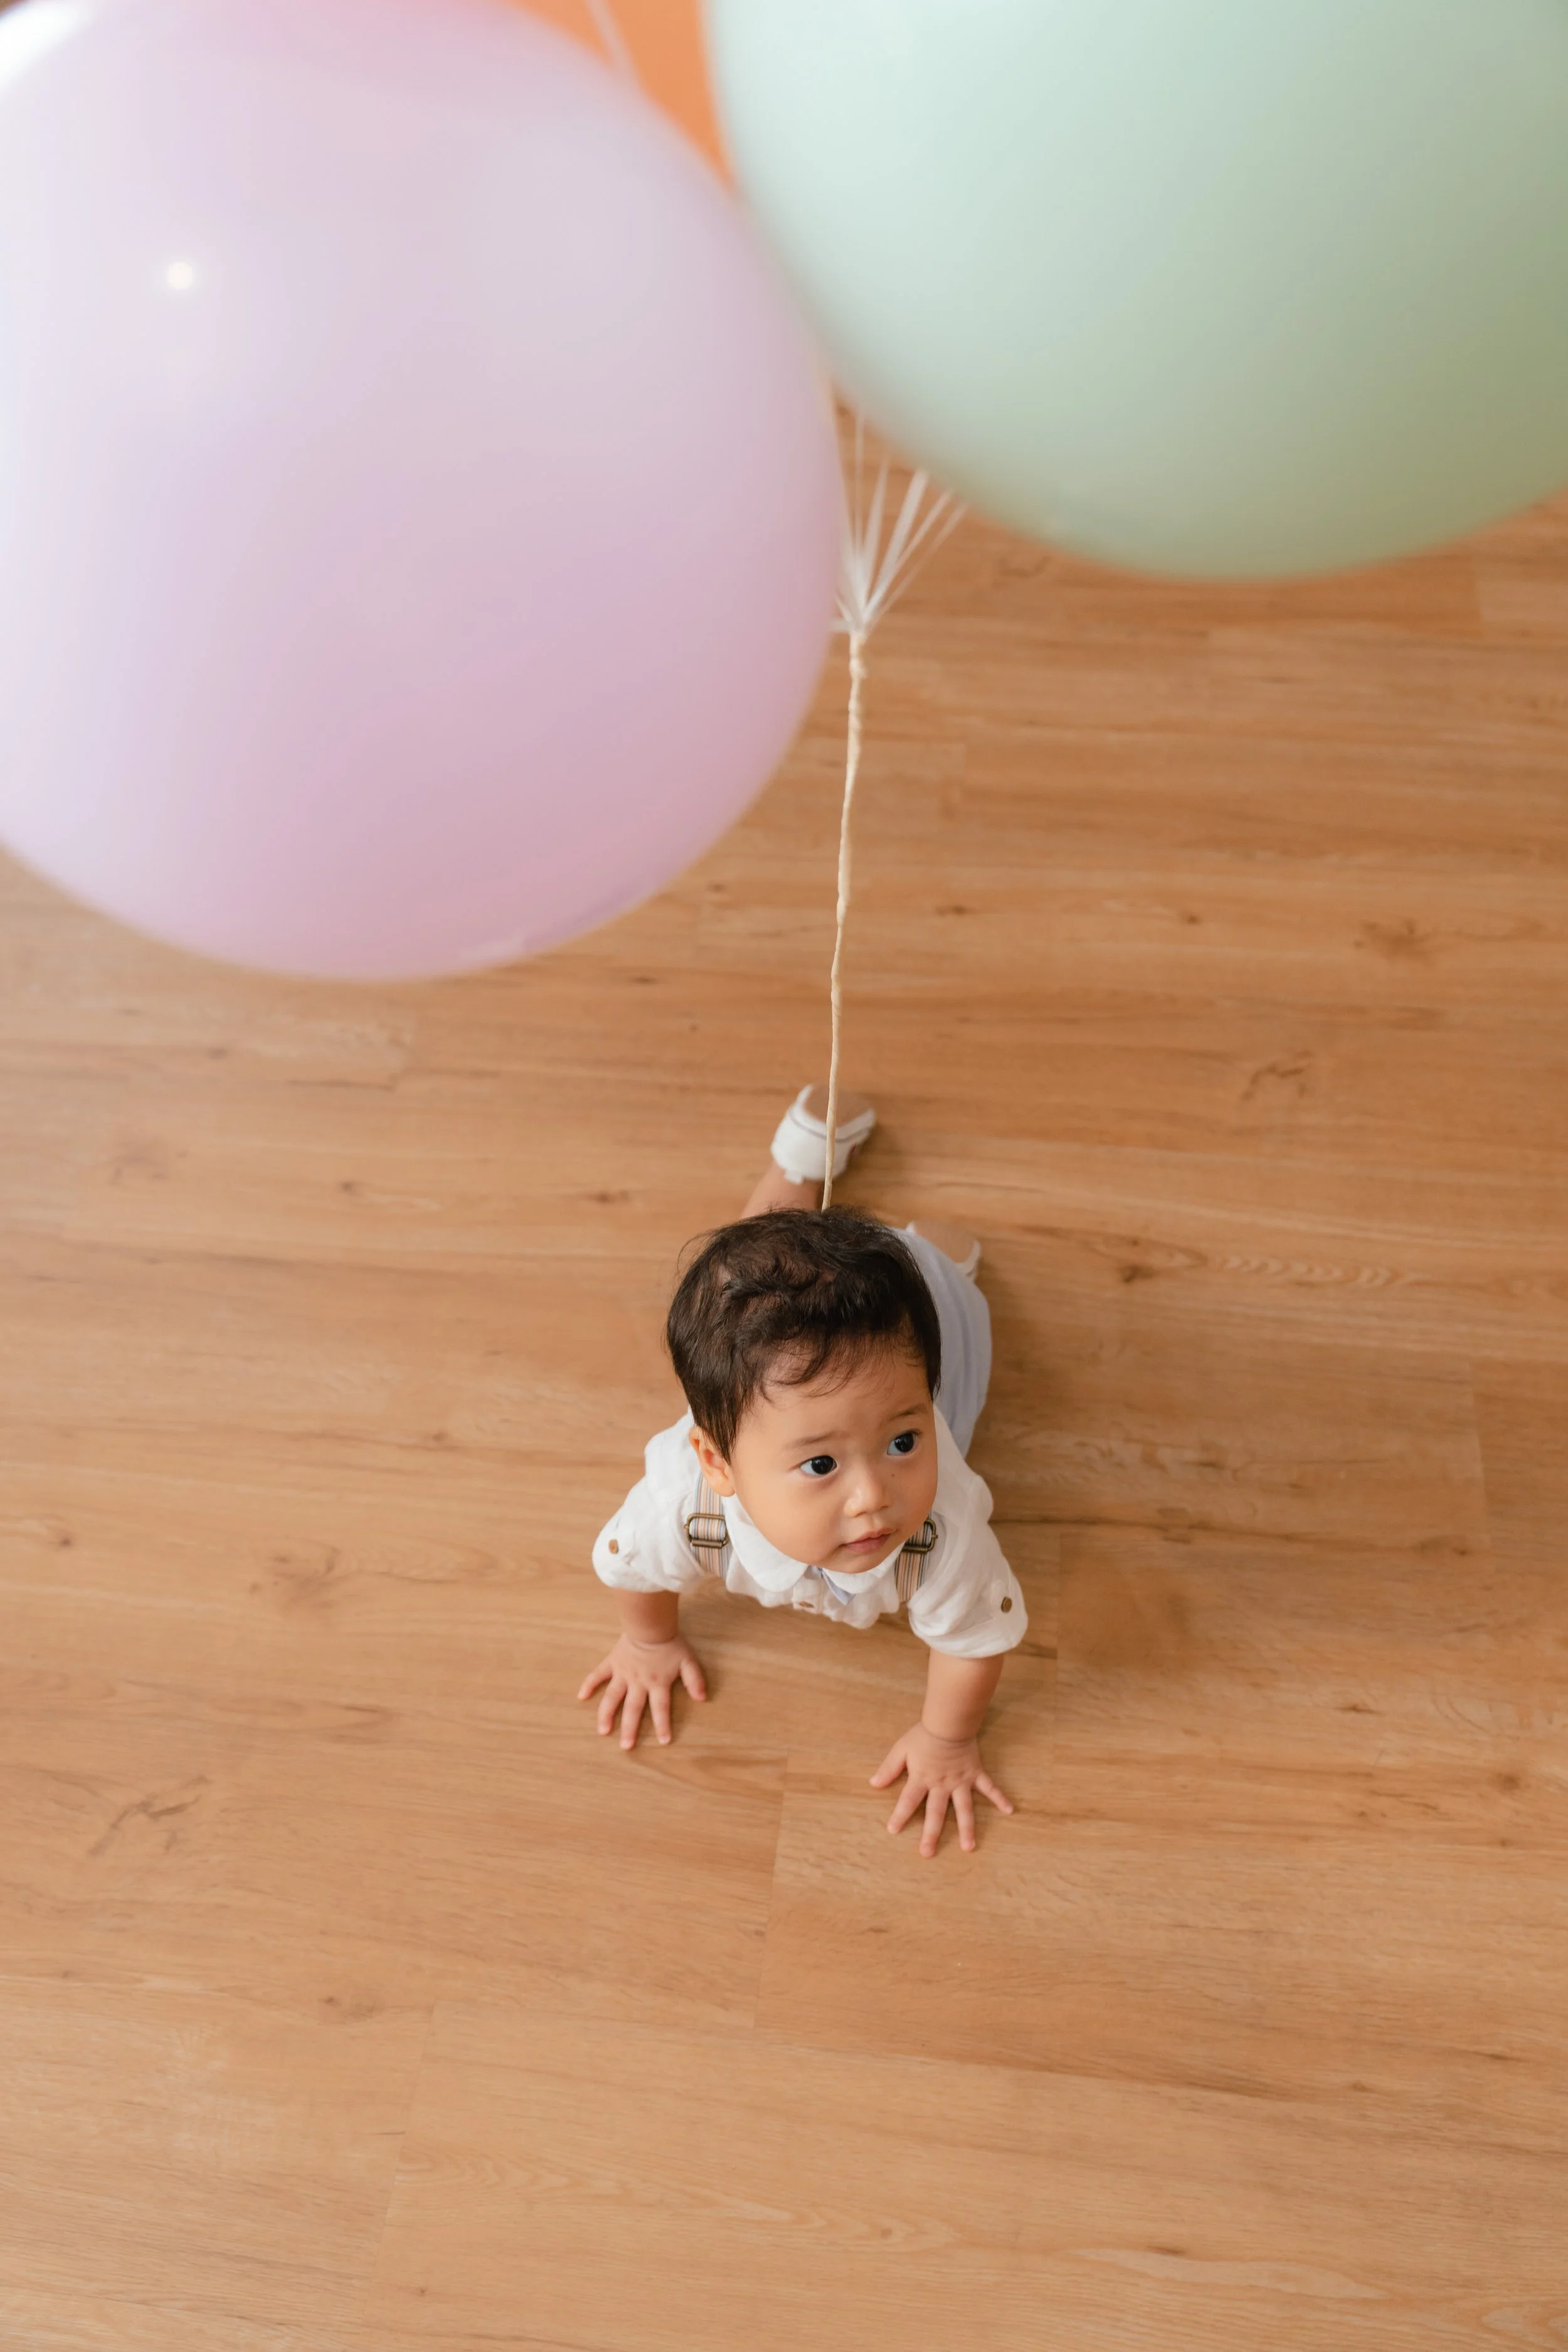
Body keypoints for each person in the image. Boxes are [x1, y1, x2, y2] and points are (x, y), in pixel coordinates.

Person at [578, 1086, 1025, 1857]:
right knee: (743, 1272)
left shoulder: (943, 1526)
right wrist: (647, 1643)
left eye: (901, 1444)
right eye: (820, 1464)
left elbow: (974, 1637)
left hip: (914, 1308)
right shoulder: (683, 1503)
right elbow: (632, 1568)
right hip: (773, 1348)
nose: (874, 1496)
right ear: (716, 1464)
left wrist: (945, 1737)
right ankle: (800, 1155)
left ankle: (940, 1267)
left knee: (954, 1330)